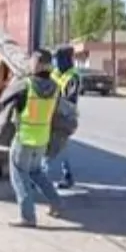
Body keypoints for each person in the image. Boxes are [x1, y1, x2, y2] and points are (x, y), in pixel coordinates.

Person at [0, 48, 63, 227]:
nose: (30, 64)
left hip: (24, 138)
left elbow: (3, 99)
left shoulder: (26, 84)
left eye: (32, 61)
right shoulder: (56, 87)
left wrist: (13, 82)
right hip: (42, 138)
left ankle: (28, 217)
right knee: (36, 172)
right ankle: (56, 203)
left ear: (40, 64)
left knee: (19, 177)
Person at [48, 46, 82, 188]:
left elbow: (69, 98)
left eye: (58, 59)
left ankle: (41, 177)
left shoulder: (72, 76)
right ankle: (67, 176)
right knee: (61, 147)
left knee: (59, 145)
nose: (56, 62)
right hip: (53, 113)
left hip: (65, 115)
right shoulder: (55, 72)